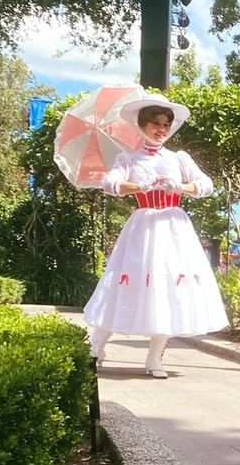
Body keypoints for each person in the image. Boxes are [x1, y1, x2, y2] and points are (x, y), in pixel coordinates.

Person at [84, 100, 228, 378]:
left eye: (165, 125)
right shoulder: (129, 159)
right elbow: (109, 184)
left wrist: (181, 186)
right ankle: (95, 348)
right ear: (142, 125)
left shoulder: (178, 159)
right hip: (144, 227)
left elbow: (206, 185)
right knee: (124, 283)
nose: (161, 130)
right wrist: (139, 186)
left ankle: (154, 358)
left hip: (174, 228)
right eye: (156, 124)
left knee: (168, 288)